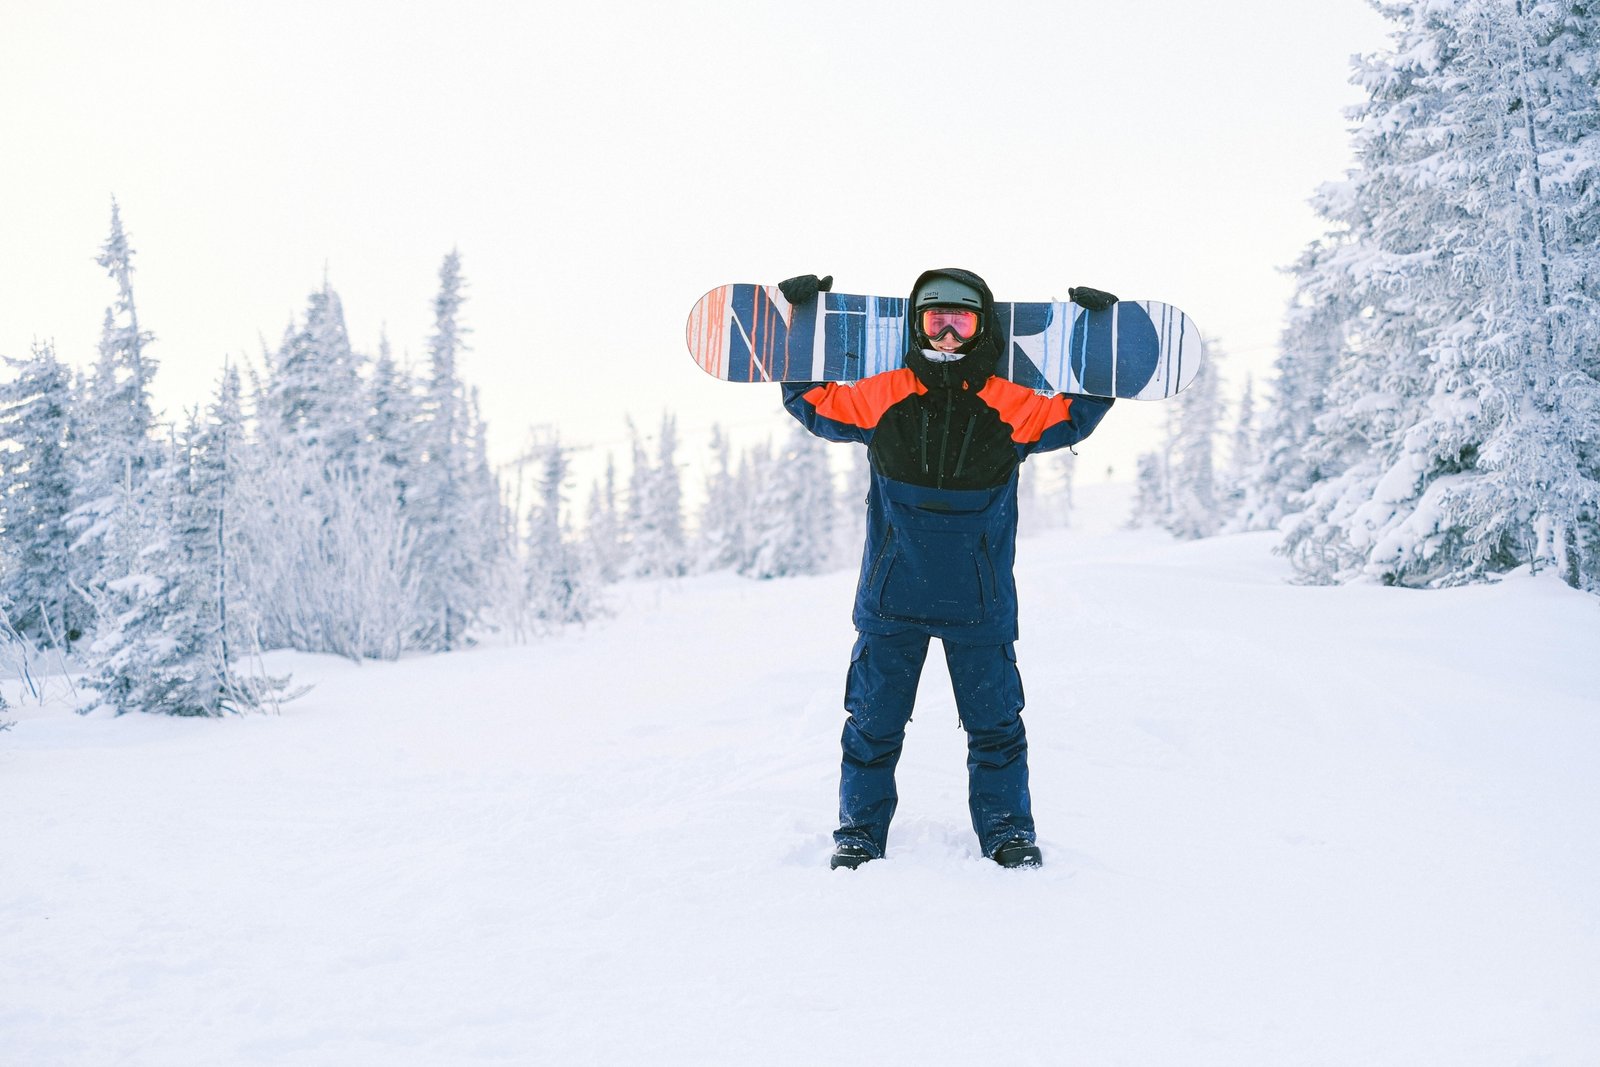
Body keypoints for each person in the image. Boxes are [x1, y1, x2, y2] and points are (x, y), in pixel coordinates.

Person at [779, 268, 1117, 869]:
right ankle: (858, 833)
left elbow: (1073, 416)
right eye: (936, 319)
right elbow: (811, 403)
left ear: (982, 327)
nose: (948, 333)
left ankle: (1008, 834)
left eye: (962, 320)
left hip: (979, 601)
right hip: (892, 595)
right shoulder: (887, 394)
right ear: (917, 324)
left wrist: (1101, 338)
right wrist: (803, 322)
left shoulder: (1008, 402)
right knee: (872, 726)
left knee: (996, 729)